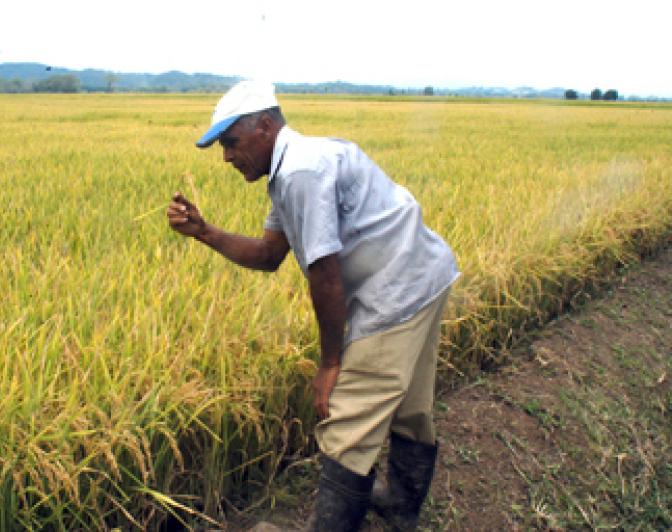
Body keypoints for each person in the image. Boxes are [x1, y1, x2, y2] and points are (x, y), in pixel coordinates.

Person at [167, 80, 460, 531]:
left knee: (348, 423)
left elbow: (324, 274)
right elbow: (268, 255)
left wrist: (331, 363)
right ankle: (400, 506)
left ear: (265, 126)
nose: (226, 156)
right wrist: (205, 232)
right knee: (411, 406)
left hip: (397, 291)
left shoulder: (302, 172)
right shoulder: (293, 168)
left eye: (230, 142)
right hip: (426, 273)